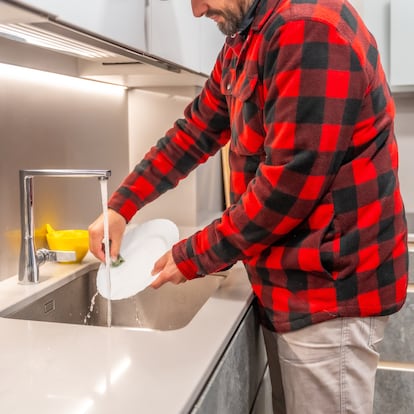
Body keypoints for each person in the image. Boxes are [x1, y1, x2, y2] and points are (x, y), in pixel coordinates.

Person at [89, 0, 408, 413]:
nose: (197, 11)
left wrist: (192, 255)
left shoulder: (308, 30)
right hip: (292, 286)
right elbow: (196, 130)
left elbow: (286, 189)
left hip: (330, 294)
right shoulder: (249, 34)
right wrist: (122, 204)